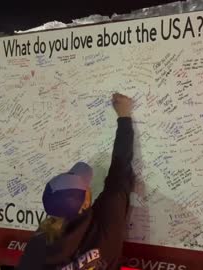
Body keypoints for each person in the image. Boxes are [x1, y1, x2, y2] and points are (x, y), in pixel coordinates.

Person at [17, 93, 135, 270]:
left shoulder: (38, 246)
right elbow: (120, 172)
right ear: (85, 202)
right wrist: (124, 117)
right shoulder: (104, 225)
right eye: (86, 187)